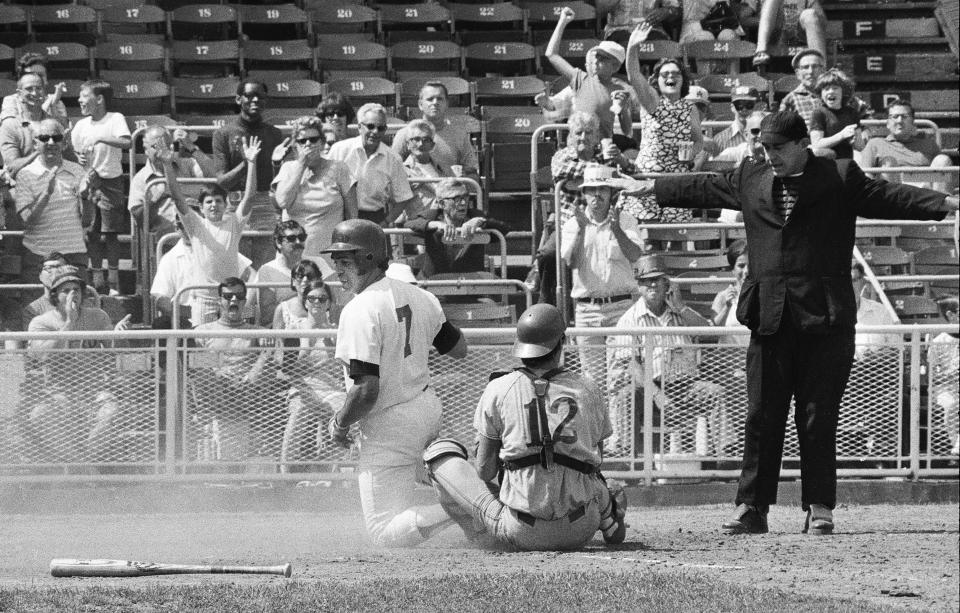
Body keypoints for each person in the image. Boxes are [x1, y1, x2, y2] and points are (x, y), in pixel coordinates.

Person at [618, 110, 959, 535]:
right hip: (769, 318)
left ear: (802, 145)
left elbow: (888, 195)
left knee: (818, 415)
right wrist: (651, 185)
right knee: (762, 415)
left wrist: (945, 203)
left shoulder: (838, 175)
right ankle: (751, 507)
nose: (770, 156)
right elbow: (706, 186)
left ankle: (819, 506)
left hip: (825, 319)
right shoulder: (752, 175)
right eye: (765, 148)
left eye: (778, 149)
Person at [421, 303, 628, 550]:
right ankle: (609, 512)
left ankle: (484, 536)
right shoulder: (587, 389)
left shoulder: (498, 388)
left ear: (521, 345)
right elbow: (597, 462)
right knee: (599, 481)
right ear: (561, 342)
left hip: (522, 530)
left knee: (439, 453)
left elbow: (485, 471)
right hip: (581, 527)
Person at [322, 219, 469, 547]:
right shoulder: (420, 296)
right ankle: (472, 497)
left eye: (345, 262)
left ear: (370, 259)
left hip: (389, 422)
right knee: (410, 506)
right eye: (336, 263)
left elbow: (366, 390)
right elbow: (459, 349)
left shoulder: (359, 308)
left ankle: (467, 504)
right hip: (426, 407)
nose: (338, 271)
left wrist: (340, 423)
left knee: (383, 531)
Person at [607, 254, 728, 455]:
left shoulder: (680, 312)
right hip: (647, 388)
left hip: (685, 386)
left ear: (667, 284)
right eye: (646, 281)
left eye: (658, 280)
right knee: (624, 397)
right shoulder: (629, 320)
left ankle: (726, 460)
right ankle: (629, 460)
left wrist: (681, 307)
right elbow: (632, 366)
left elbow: (710, 334)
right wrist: (657, 394)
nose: (652, 285)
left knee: (715, 393)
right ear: (639, 286)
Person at [26, 265, 132, 462]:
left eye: (76, 290)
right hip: (58, 394)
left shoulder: (98, 316)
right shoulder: (40, 323)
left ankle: (86, 461)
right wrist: (69, 324)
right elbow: (39, 354)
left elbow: (116, 350)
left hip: (94, 391)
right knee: (38, 416)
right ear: (54, 295)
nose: (72, 294)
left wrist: (119, 335)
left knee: (113, 411)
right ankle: (81, 466)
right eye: (66, 290)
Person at [561, 164, 643, 399]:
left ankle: (619, 436)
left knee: (620, 379)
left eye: (602, 189)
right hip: (588, 311)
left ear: (611, 193)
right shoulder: (572, 224)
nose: (597, 195)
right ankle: (598, 436)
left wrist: (616, 229)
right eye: (592, 190)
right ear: (584, 193)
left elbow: (636, 255)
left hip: (622, 308)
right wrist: (581, 229)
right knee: (592, 383)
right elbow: (570, 263)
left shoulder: (626, 220)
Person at [536, 112, 631, 305]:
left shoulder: (607, 155)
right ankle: (547, 306)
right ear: (570, 136)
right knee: (548, 255)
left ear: (596, 137)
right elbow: (563, 171)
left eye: (588, 133)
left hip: (603, 225)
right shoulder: (561, 156)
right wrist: (607, 175)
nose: (583, 137)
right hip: (568, 225)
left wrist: (622, 160)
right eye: (578, 133)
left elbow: (632, 176)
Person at [167, 134, 262, 326]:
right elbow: (177, 198)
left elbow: (250, 196)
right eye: (208, 202)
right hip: (205, 298)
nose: (213, 205)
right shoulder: (196, 225)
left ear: (225, 204)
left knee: (241, 341)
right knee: (204, 349)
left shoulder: (234, 222)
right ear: (201, 208)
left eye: (218, 201)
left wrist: (251, 162)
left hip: (233, 295)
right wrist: (167, 165)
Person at [624, 23, 703, 223]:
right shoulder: (652, 100)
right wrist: (632, 47)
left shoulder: (690, 108)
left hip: (677, 180)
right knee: (650, 239)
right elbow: (633, 75)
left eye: (676, 74)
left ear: (683, 80)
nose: (670, 77)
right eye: (665, 74)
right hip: (650, 177)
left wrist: (690, 153)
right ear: (656, 80)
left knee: (677, 238)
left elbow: (698, 141)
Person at [193, 277, 275, 460]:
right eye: (228, 296)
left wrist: (260, 362)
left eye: (238, 296)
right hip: (215, 394)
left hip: (248, 394)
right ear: (219, 300)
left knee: (265, 363)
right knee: (205, 374)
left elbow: (273, 359)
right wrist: (217, 370)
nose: (233, 301)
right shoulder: (202, 331)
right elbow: (195, 362)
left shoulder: (258, 332)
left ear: (245, 302)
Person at [13, 119, 88, 301]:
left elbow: (87, 221)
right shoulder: (25, 174)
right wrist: (46, 193)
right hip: (39, 255)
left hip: (74, 252)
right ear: (35, 142)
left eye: (56, 137)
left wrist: (87, 199)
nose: (51, 143)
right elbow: (27, 220)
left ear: (64, 142)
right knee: (35, 315)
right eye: (45, 138)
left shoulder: (78, 171)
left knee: (78, 314)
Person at [212, 79, 284, 267]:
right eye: (249, 95)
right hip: (235, 203)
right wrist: (247, 162)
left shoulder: (274, 134)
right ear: (238, 99)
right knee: (236, 267)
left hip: (265, 204)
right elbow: (222, 182)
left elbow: (279, 177)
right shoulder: (223, 134)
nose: (255, 100)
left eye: (260, 96)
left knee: (266, 267)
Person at [71, 80, 131, 294]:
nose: (80, 100)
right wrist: (81, 161)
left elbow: (127, 142)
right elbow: (76, 153)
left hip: (111, 181)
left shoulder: (115, 119)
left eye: (84, 96)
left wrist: (102, 138)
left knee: (110, 233)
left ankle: (113, 281)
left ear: (99, 99)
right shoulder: (80, 125)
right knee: (91, 231)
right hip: (88, 181)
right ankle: (97, 280)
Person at [278, 279, 345, 473]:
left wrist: (330, 341)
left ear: (329, 303)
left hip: (332, 388)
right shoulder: (294, 330)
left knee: (342, 413)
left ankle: (335, 473)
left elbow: (340, 366)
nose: (317, 302)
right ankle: (286, 471)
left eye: (322, 299)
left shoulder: (336, 330)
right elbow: (287, 371)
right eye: (312, 298)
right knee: (300, 411)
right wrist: (306, 346)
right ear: (305, 302)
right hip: (302, 388)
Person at [271, 116, 357, 261]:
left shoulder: (339, 168)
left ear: (322, 142)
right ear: (295, 146)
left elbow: (352, 217)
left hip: (329, 255)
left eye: (313, 139)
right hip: (293, 256)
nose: (308, 144)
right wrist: (301, 165)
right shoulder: (288, 168)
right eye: (302, 141)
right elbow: (283, 202)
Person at [150, 216, 257, 329]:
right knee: (161, 324)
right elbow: (161, 299)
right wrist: (193, 313)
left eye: (195, 224)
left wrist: (245, 309)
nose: (190, 228)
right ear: (177, 227)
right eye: (185, 224)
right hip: (185, 318)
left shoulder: (220, 248)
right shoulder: (169, 259)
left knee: (250, 314)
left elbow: (253, 277)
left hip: (224, 314)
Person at [546, 8, 633, 141]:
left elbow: (627, 132)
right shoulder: (580, 79)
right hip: (575, 150)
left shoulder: (620, 91)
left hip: (600, 153)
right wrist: (562, 22)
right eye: (597, 56)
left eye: (603, 58)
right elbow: (551, 55)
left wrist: (622, 111)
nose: (597, 60)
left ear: (615, 66)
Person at [327, 103, 417, 226]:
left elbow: (404, 197)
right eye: (370, 126)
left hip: (374, 218)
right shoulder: (339, 150)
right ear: (359, 127)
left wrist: (386, 222)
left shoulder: (393, 158)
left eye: (380, 128)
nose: (375, 132)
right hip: (338, 217)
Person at [404, 178, 510, 280]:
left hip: (471, 287)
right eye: (456, 199)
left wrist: (480, 221)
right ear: (442, 204)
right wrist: (434, 224)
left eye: (465, 197)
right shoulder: (433, 215)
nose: (463, 203)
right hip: (438, 287)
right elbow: (409, 224)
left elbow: (504, 228)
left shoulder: (475, 215)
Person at [128, 125, 212, 240]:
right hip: (165, 241)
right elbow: (138, 219)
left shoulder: (187, 164)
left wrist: (191, 147)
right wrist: (159, 196)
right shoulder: (140, 179)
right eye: (155, 146)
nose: (160, 151)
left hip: (199, 236)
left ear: (171, 147)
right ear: (145, 149)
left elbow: (212, 175)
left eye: (164, 146)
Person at [391, 82, 480, 182]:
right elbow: (392, 170)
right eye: (430, 99)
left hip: (450, 194)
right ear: (420, 105)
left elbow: (473, 173)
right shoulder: (405, 134)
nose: (435, 102)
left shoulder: (459, 135)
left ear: (447, 104)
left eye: (440, 99)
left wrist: (462, 175)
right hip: (416, 194)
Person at [860, 99, 954, 194]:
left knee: (943, 160)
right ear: (888, 123)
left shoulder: (929, 144)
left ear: (913, 122)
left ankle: (942, 206)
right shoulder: (875, 144)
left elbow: (943, 177)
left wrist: (911, 178)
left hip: (926, 191)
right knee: (889, 163)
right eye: (895, 117)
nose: (900, 121)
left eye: (904, 117)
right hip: (893, 192)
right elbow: (866, 177)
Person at [1, 73, 76, 181]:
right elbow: (12, 168)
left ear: (45, 92)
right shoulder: (10, 126)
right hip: (23, 185)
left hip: (56, 182)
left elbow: (71, 161)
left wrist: (66, 145)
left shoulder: (55, 123)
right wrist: (41, 149)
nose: (35, 93)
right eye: (29, 89)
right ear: (19, 94)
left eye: (39, 88)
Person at [779, 49, 871, 132]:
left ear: (823, 70)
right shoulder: (791, 99)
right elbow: (782, 129)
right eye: (805, 67)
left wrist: (865, 132)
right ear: (798, 73)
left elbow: (868, 117)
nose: (810, 72)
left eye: (815, 67)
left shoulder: (839, 94)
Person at [256, 220, 309, 326]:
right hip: (283, 330)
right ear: (278, 243)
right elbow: (268, 317)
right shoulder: (267, 271)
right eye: (291, 239)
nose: (298, 242)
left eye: (302, 237)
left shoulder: (318, 264)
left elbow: (333, 302)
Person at [23, 252, 101, 324]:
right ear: (40, 276)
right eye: (48, 268)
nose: (54, 272)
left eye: (59, 267)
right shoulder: (33, 310)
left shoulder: (86, 304)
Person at [0, 52, 68, 129]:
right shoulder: (11, 100)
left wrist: (53, 106)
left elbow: (63, 131)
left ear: (46, 80)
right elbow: (11, 128)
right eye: (30, 75)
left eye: (40, 75)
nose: (35, 79)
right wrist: (46, 107)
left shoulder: (56, 102)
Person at [752, 0, 827, 67]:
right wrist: (763, 21)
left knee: (810, 14)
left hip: (798, 35)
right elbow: (744, 18)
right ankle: (760, 51)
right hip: (773, 35)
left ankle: (820, 68)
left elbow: (821, 21)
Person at [808, 69, 862, 160]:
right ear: (821, 93)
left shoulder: (852, 113)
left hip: (846, 163)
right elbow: (816, 144)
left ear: (843, 92)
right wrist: (841, 135)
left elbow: (860, 147)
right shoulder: (818, 113)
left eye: (835, 88)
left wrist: (855, 140)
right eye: (826, 89)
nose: (830, 92)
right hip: (826, 165)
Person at [928, 297, 959, 457]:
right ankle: (956, 446)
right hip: (945, 388)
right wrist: (949, 375)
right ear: (951, 315)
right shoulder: (939, 341)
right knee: (952, 405)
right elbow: (931, 376)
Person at [400, 119, 449, 217]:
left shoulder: (443, 168)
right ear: (408, 144)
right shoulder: (401, 171)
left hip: (443, 224)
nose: (421, 144)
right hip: (417, 225)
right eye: (416, 139)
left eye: (426, 140)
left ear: (432, 145)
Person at [711, 239, 750, 344]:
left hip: (754, 358)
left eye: (751, 266)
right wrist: (726, 307)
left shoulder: (763, 296)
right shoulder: (723, 296)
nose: (746, 271)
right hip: (729, 357)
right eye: (741, 266)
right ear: (733, 270)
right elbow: (713, 333)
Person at [595, 0, 680, 46]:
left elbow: (675, 10)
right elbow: (601, 9)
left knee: (665, 48)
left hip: (651, 30)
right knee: (618, 48)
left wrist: (666, 11)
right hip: (618, 30)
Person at [712, 86, 763, 154]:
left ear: (757, 106)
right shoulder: (719, 140)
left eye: (749, 105)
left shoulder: (767, 136)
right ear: (732, 107)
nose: (744, 109)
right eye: (739, 106)